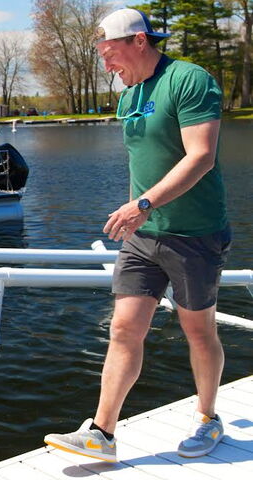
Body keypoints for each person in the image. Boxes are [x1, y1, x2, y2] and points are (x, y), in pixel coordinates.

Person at [44, 8, 231, 462]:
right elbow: (139, 164)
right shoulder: (129, 94)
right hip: (144, 236)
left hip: (195, 233)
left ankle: (209, 418)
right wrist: (134, 213)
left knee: (198, 330)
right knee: (125, 327)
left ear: (140, 41)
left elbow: (201, 156)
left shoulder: (190, 80)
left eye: (110, 54)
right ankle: (102, 433)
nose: (106, 65)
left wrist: (145, 204)